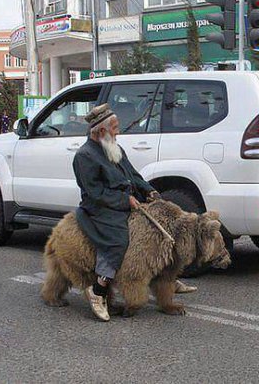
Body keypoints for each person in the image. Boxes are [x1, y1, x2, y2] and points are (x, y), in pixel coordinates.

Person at [73, 104, 195, 322]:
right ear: (101, 131)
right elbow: (95, 193)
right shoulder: (84, 156)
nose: (118, 132)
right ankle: (98, 290)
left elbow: (133, 175)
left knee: (163, 229)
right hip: (101, 209)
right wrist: (124, 200)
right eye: (115, 128)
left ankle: (165, 276)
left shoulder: (112, 147)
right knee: (119, 241)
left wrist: (149, 191)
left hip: (128, 202)